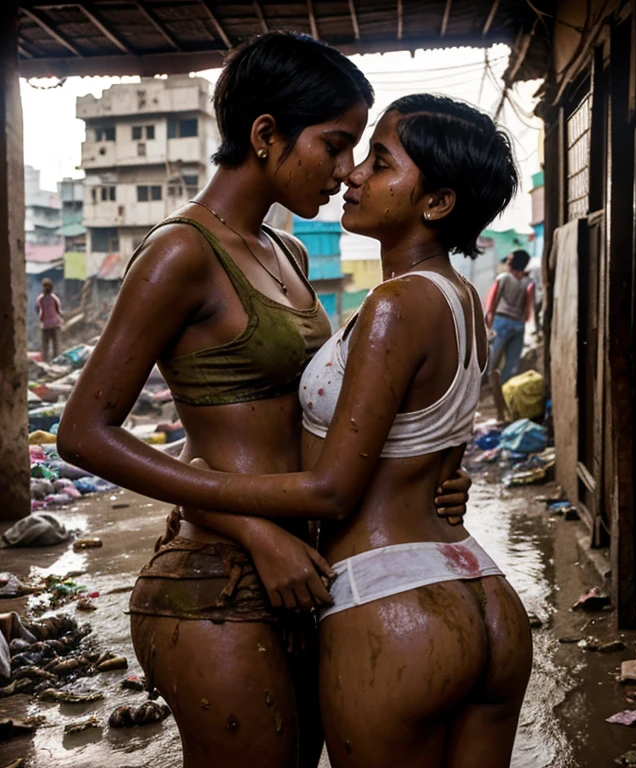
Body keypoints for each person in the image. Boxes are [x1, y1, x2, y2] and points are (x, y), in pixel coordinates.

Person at [57, 35, 469, 768]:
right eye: (335, 145)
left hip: (308, 574)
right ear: (266, 135)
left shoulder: (291, 253)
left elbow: (299, 421)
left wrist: (420, 476)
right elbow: (84, 434)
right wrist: (256, 531)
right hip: (215, 581)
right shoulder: (180, 253)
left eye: (359, 152)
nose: (346, 172)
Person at [182, 94, 533, 768]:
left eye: (379, 162)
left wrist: (203, 488)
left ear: (435, 203)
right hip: (483, 595)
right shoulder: (460, 299)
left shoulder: (394, 305)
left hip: (391, 604)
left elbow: (331, 491)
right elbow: (431, 456)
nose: (352, 175)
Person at [485, 249, 535, 384]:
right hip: (518, 324)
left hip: (501, 321)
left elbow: (492, 301)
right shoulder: (529, 281)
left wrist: (488, 320)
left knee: (492, 357)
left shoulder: (503, 278)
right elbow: (528, 306)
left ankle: (487, 383)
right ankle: (504, 386)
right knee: (512, 360)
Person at [36, 277, 63, 361]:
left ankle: (54, 361)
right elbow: (58, 310)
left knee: (54, 346)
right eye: (45, 286)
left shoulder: (52, 298)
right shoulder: (41, 299)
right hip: (47, 326)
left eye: (47, 286)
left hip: (52, 325)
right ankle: (48, 362)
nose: (46, 288)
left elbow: (57, 310)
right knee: (46, 347)